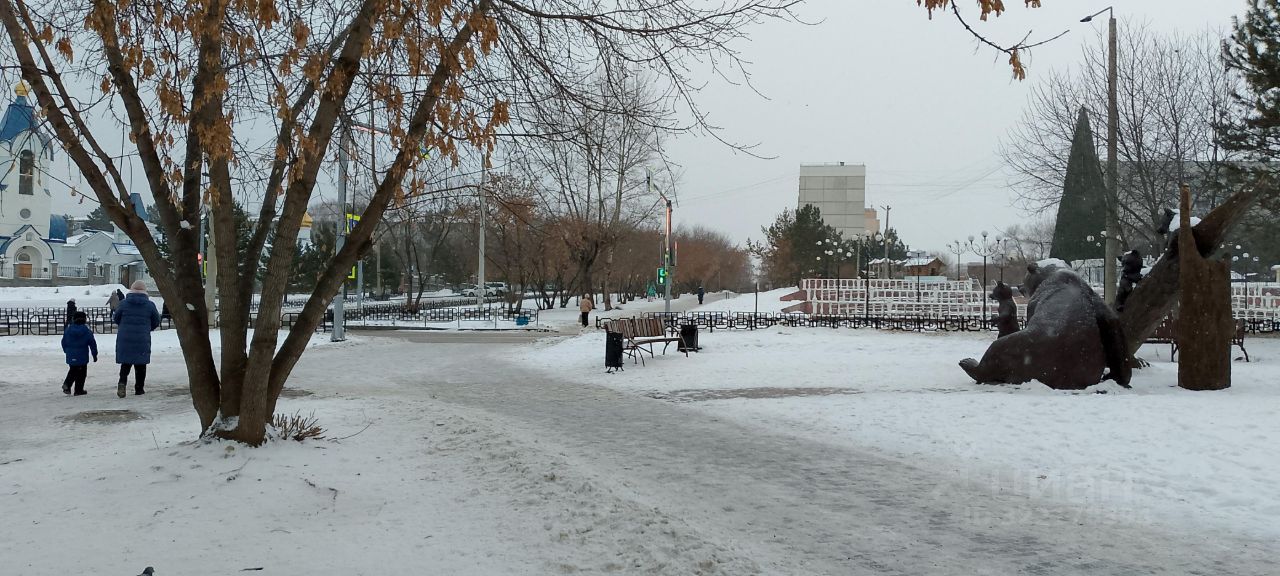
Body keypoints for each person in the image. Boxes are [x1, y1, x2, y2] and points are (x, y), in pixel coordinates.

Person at [113, 280, 160, 398]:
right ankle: (139, 388)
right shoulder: (150, 305)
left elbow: (116, 318)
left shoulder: (123, 303)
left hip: (125, 337)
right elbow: (156, 321)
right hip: (142, 338)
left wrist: (124, 326)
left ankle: (122, 382)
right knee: (141, 364)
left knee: (125, 363)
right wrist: (147, 328)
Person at [60, 311, 98, 396]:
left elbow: (63, 342)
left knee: (73, 369)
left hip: (71, 354)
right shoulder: (87, 331)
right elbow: (92, 343)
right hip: (82, 355)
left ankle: (68, 385)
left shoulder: (68, 330)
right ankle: (78, 389)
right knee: (82, 373)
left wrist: (66, 351)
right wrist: (94, 354)